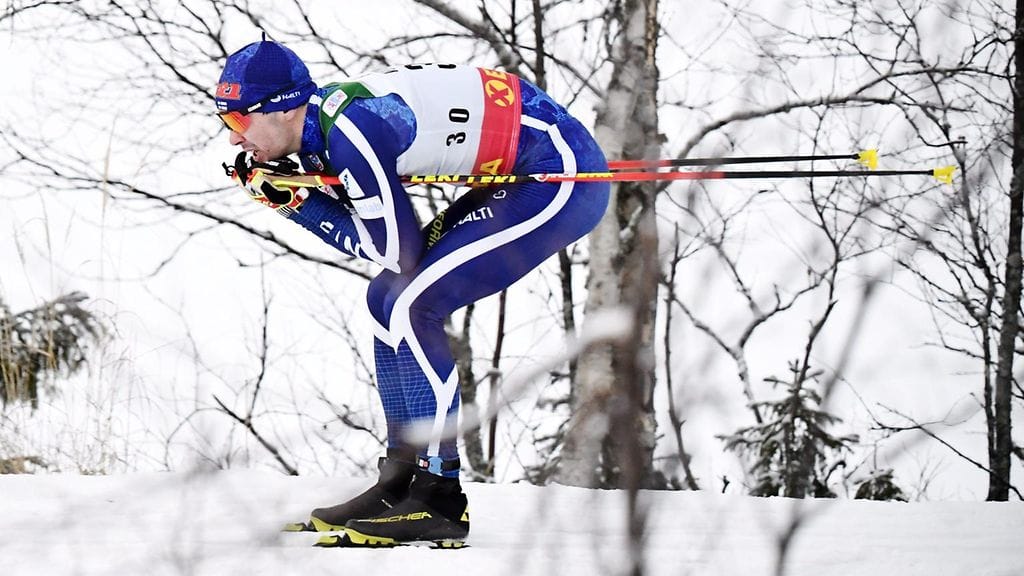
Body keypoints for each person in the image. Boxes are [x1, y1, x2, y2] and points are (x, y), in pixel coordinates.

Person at [214, 39, 610, 548]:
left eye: (239, 123)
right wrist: (301, 193)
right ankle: (401, 480)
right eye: (225, 123)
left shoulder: (350, 134)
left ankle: (440, 496)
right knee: (385, 302)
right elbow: (385, 237)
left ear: (285, 107)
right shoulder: (318, 134)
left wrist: (298, 206)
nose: (233, 140)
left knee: (413, 301)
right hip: (519, 167)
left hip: (560, 175)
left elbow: (395, 249)